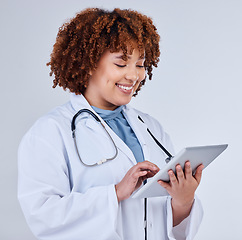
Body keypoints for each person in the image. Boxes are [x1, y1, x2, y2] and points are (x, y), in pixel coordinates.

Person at [18, 8, 204, 240]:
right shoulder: (50, 132)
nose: (134, 76)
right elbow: (43, 216)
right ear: (89, 63)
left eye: (140, 64)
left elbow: (162, 222)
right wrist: (115, 193)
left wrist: (183, 201)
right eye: (121, 64)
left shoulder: (150, 128)